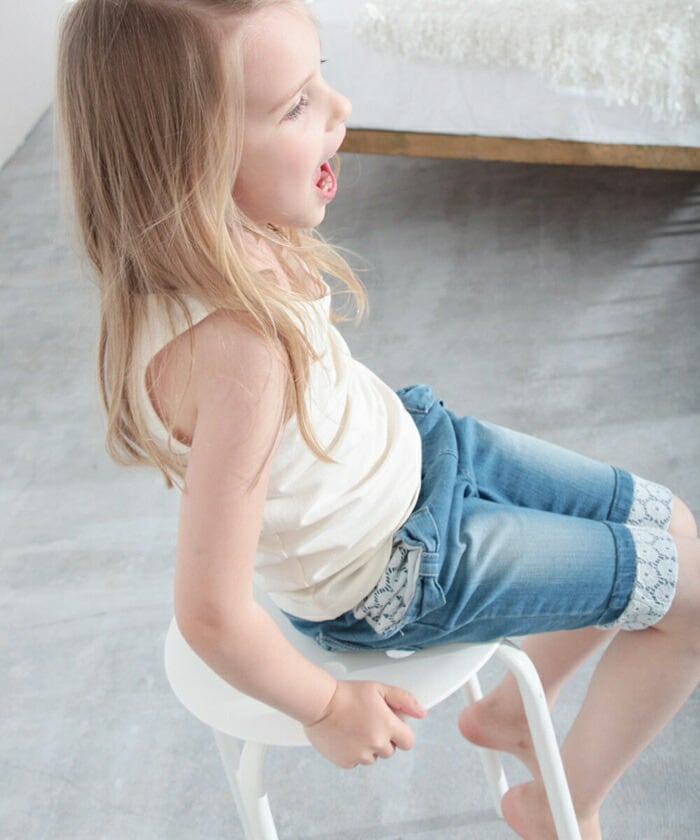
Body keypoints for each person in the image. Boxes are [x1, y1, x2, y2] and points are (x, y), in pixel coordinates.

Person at [56, 2, 699, 838]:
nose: (341, 108)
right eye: (297, 104)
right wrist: (328, 706)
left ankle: (512, 714)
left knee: (669, 522)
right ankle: (556, 804)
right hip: (401, 570)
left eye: (320, 78)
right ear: (193, 160)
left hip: (423, 453)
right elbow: (210, 612)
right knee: (692, 594)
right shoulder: (239, 353)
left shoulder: (227, 239)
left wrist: (292, 154)